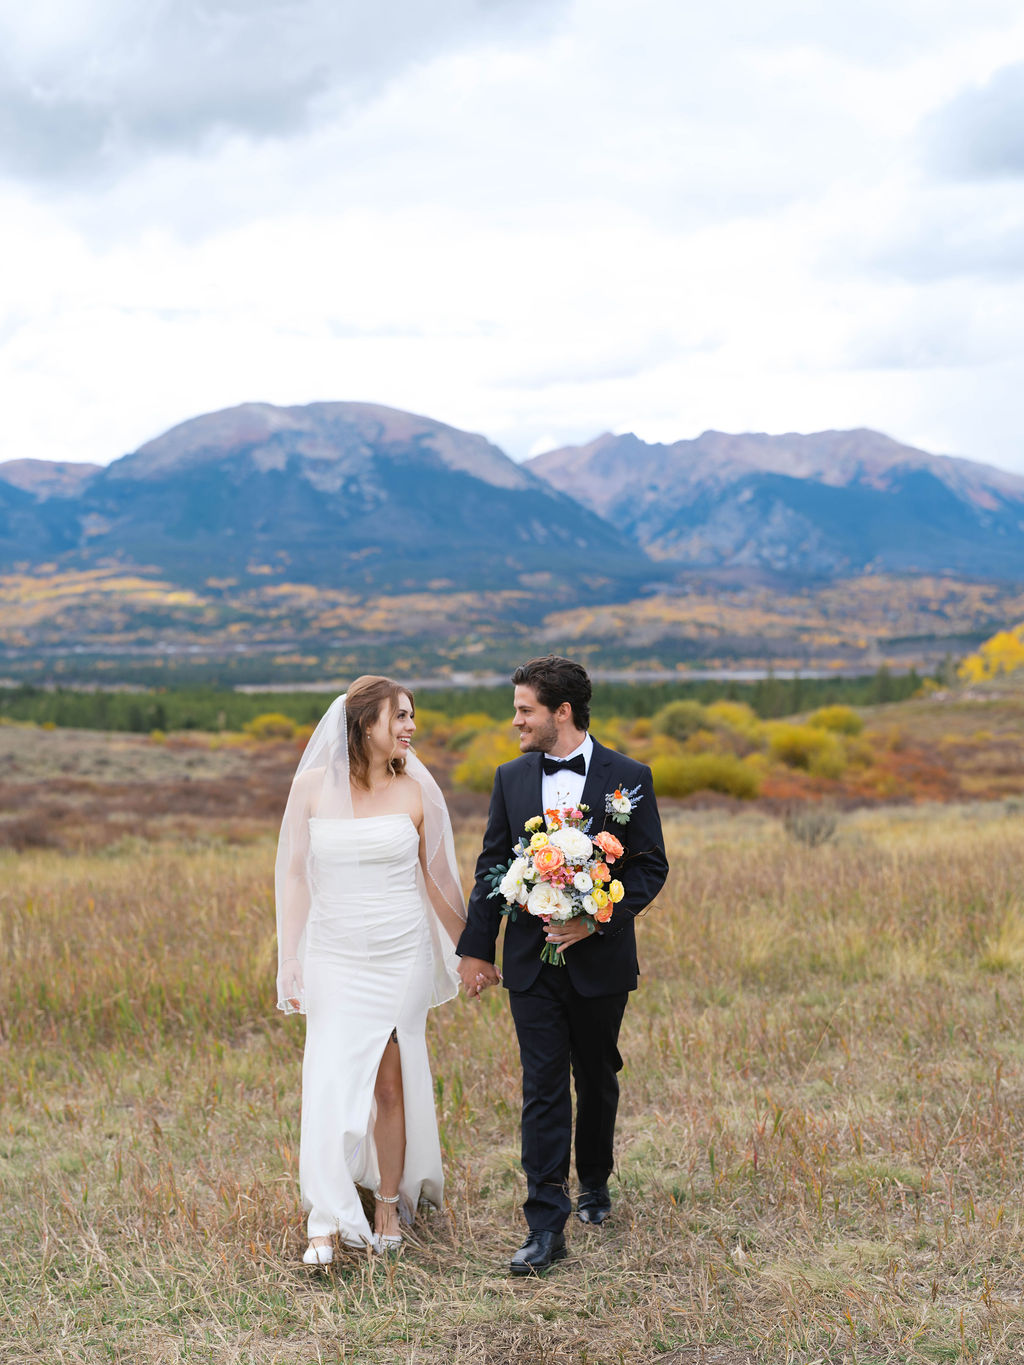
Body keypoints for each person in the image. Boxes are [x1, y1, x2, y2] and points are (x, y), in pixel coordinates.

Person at [458, 655, 668, 1275]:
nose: (515, 720)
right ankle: (545, 1224)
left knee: (597, 1075)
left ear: (562, 712)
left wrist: (595, 919)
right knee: (542, 1088)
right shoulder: (509, 777)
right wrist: (477, 947)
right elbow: (493, 866)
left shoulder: (628, 778)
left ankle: (595, 1180)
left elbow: (650, 866)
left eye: (525, 710)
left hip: (599, 961)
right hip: (530, 963)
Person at [275, 676, 466, 1265]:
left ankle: (387, 1202)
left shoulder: (415, 790)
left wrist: (473, 950)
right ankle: (326, 1216)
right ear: (365, 724)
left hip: (399, 951)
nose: (411, 727)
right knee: (330, 1080)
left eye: (412, 717)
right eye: (401, 716)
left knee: (389, 1082)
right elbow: (296, 876)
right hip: (333, 953)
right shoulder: (310, 789)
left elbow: (438, 879)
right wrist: (289, 957)